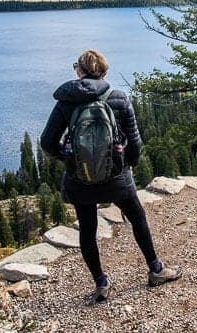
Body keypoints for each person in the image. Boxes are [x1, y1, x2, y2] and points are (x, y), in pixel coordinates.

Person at [40, 49, 182, 303]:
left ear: (80, 71)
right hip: (116, 176)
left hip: (79, 179)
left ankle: (101, 284)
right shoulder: (118, 98)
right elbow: (135, 143)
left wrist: (71, 159)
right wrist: (129, 164)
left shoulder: (66, 102)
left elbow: (47, 143)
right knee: (137, 217)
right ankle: (156, 269)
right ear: (104, 72)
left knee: (88, 229)